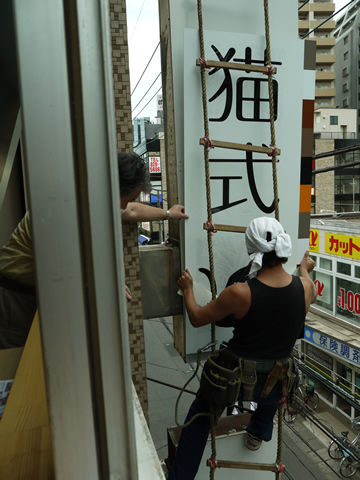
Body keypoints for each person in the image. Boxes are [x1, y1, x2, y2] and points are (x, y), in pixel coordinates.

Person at [168, 216, 316, 480]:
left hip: (232, 382)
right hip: (274, 384)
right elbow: (308, 288)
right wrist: (304, 268)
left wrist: (189, 289)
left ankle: (181, 476)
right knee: (278, 377)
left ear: (252, 249)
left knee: (200, 417)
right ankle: (258, 433)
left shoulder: (241, 292)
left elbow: (198, 317)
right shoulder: (304, 287)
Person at [0, 151, 188, 348]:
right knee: (16, 362)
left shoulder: (94, 196)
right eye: (126, 197)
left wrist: (168, 213)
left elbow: (132, 210)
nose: (124, 205)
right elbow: (63, 270)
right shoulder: (66, 207)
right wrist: (107, 284)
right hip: (15, 297)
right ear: (114, 187)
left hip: (39, 294)